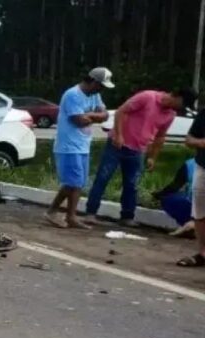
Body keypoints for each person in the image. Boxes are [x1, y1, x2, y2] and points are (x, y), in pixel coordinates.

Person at [85, 88, 197, 226]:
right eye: (183, 104)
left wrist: (152, 157)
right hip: (117, 145)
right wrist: (119, 135)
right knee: (103, 178)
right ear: (178, 97)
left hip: (138, 150)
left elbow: (160, 136)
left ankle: (127, 216)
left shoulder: (170, 114)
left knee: (132, 184)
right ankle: (91, 212)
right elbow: (121, 111)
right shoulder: (147, 97)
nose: (181, 108)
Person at [44, 67, 113, 229]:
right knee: (72, 182)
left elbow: (105, 115)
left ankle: (67, 215)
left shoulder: (95, 95)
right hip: (68, 145)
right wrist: (94, 116)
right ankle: (58, 213)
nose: (102, 89)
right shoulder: (72, 95)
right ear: (94, 82)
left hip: (83, 144)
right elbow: (79, 121)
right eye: (101, 85)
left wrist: (90, 116)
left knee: (78, 182)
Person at [178, 109, 205, 267]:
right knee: (200, 213)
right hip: (203, 167)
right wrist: (201, 143)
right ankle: (202, 252)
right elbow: (189, 140)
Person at [152, 158, 197, 237]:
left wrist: (159, 194)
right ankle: (193, 225)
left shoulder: (190, 164)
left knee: (169, 199)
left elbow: (175, 186)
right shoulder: (190, 164)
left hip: (196, 207)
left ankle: (192, 224)